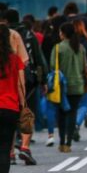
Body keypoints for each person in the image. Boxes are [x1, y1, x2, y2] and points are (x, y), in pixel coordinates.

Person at [4, 9, 46, 166]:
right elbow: (37, 58)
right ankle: (25, 147)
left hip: (7, 80)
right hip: (27, 80)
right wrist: (43, 80)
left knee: (9, 115)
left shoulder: (6, 34)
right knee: (27, 112)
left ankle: (10, 152)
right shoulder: (28, 34)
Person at [53, 22, 86, 153]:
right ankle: (68, 143)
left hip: (62, 86)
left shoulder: (58, 48)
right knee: (72, 113)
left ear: (63, 33)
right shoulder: (81, 47)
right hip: (77, 85)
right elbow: (85, 67)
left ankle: (61, 142)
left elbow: (53, 67)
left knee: (61, 114)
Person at [0, 23, 26, 173]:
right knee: (4, 148)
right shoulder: (15, 60)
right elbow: (20, 84)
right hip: (10, 107)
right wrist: (22, 105)